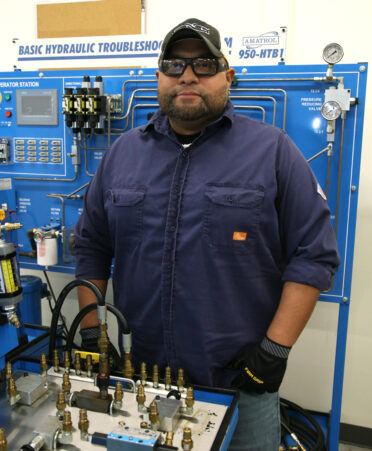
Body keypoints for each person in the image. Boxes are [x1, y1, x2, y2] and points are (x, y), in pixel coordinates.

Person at [75, 18, 340, 450]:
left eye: (204, 63)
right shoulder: (122, 155)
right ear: (159, 76)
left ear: (227, 76)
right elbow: (91, 246)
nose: (189, 75)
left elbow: (315, 256)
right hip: (143, 376)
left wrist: (274, 352)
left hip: (240, 382)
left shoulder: (273, 151)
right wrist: (92, 333)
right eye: (174, 65)